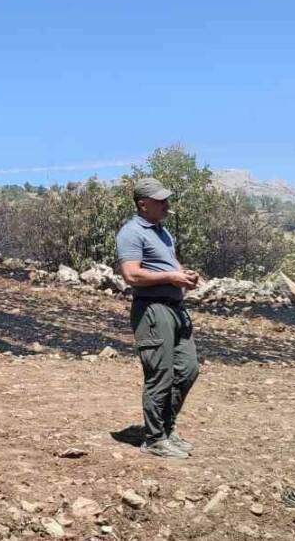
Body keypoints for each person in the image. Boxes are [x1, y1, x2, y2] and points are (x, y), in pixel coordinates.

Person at [115, 177, 201, 459]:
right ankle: (154, 438)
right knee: (160, 374)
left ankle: (167, 429)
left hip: (176, 308)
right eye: (160, 201)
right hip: (152, 309)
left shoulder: (163, 233)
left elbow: (170, 265)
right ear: (143, 205)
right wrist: (170, 277)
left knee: (187, 370)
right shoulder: (131, 233)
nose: (166, 205)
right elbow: (132, 274)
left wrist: (184, 275)